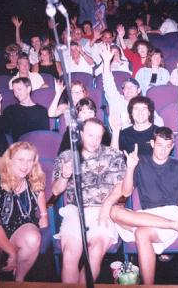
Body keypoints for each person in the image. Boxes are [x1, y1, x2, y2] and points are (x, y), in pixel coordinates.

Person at [109, 127, 178, 285]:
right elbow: (126, 191)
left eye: (167, 146)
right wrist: (130, 168)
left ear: (172, 146)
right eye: (159, 145)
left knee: (142, 233)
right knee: (114, 211)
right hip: (147, 215)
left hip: (171, 212)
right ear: (152, 143)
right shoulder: (140, 162)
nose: (163, 150)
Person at [51, 118, 125, 283]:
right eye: (91, 135)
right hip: (75, 211)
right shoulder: (66, 156)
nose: (95, 141)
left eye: (99, 137)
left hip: (103, 211)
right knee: (70, 254)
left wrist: (106, 205)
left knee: (95, 251)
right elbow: (55, 190)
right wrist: (64, 175)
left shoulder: (112, 155)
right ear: (81, 134)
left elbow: (121, 186)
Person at [0, 142, 47, 282]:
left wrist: (44, 215)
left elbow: (40, 190)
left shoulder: (32, 175)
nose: (25, 165)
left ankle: (19, 280)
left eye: (29, 160)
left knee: (33, 238)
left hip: (20, 223)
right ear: (10, 160)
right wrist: (12, 252)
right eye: (20, 159)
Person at [101, 45, 164, 129]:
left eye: (132, 87)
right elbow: (108, 82)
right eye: (125, 87)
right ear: (122, 91)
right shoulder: (116, 99)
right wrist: (106, 62)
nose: (128, 89)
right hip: (122, 137)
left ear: (139, 90)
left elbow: (159, 123)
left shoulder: (145, 104)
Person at [0, 77, 50, 142]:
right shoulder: (11, 110)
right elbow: (0, 133)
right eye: (14, 91)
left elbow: (44, 135)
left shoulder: (41, 110)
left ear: (28, 89)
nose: (16, 93)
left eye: (19, 89)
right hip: (19, 147)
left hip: (37, 145)